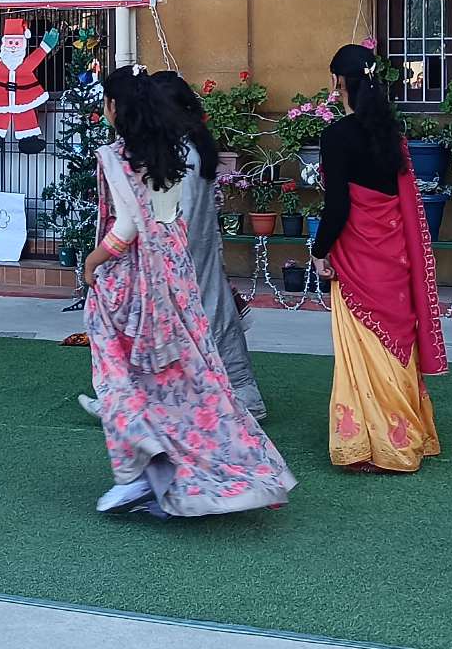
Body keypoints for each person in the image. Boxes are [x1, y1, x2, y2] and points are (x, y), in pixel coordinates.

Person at [76, 66, 296, 518]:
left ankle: (137, 474)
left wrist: (93, 261)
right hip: (177, 282)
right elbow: (166, 220)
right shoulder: (173, 152)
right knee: (189, 379)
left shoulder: (118, 157)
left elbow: (128, 226)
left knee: (120, 376)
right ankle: (184, 473)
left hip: (131, 285)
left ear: (114, 108)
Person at [310, 43, 447, 473]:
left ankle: (377, 447)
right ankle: (406, 436)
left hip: (356, 258)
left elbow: (338, 207)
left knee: (363, 350)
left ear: (338, 82)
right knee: (393, 341)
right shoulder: (391, 134)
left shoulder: (336, 136)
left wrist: (318, 251)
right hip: (392, 255)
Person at [140, 70, 267, 418]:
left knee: (202, 323)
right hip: (197, 254)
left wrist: (163, 255)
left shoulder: (182, 155)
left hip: (186, 255)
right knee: (216, 320)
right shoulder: (191, 147)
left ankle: (232, 397)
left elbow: (182, 214)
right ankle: (239, 395)